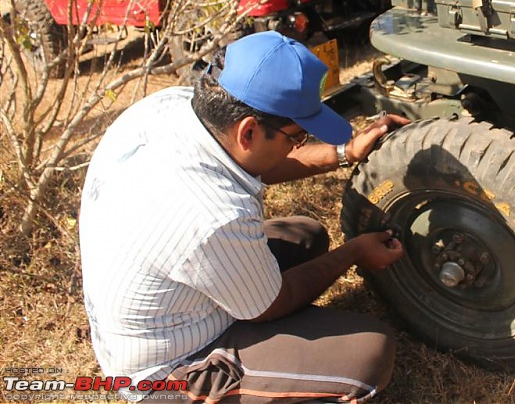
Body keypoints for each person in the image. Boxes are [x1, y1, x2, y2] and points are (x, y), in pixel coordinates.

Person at [79, 31, 408, 402]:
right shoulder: (212, 213)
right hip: (165, 366)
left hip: (164, 295)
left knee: (306, 235)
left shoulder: (172, 108)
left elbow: (258, 163)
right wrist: (353, 253)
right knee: (368, 353)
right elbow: (271, 305)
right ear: (248, 131)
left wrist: (344, 152)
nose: (297, 145)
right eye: (296, 137)